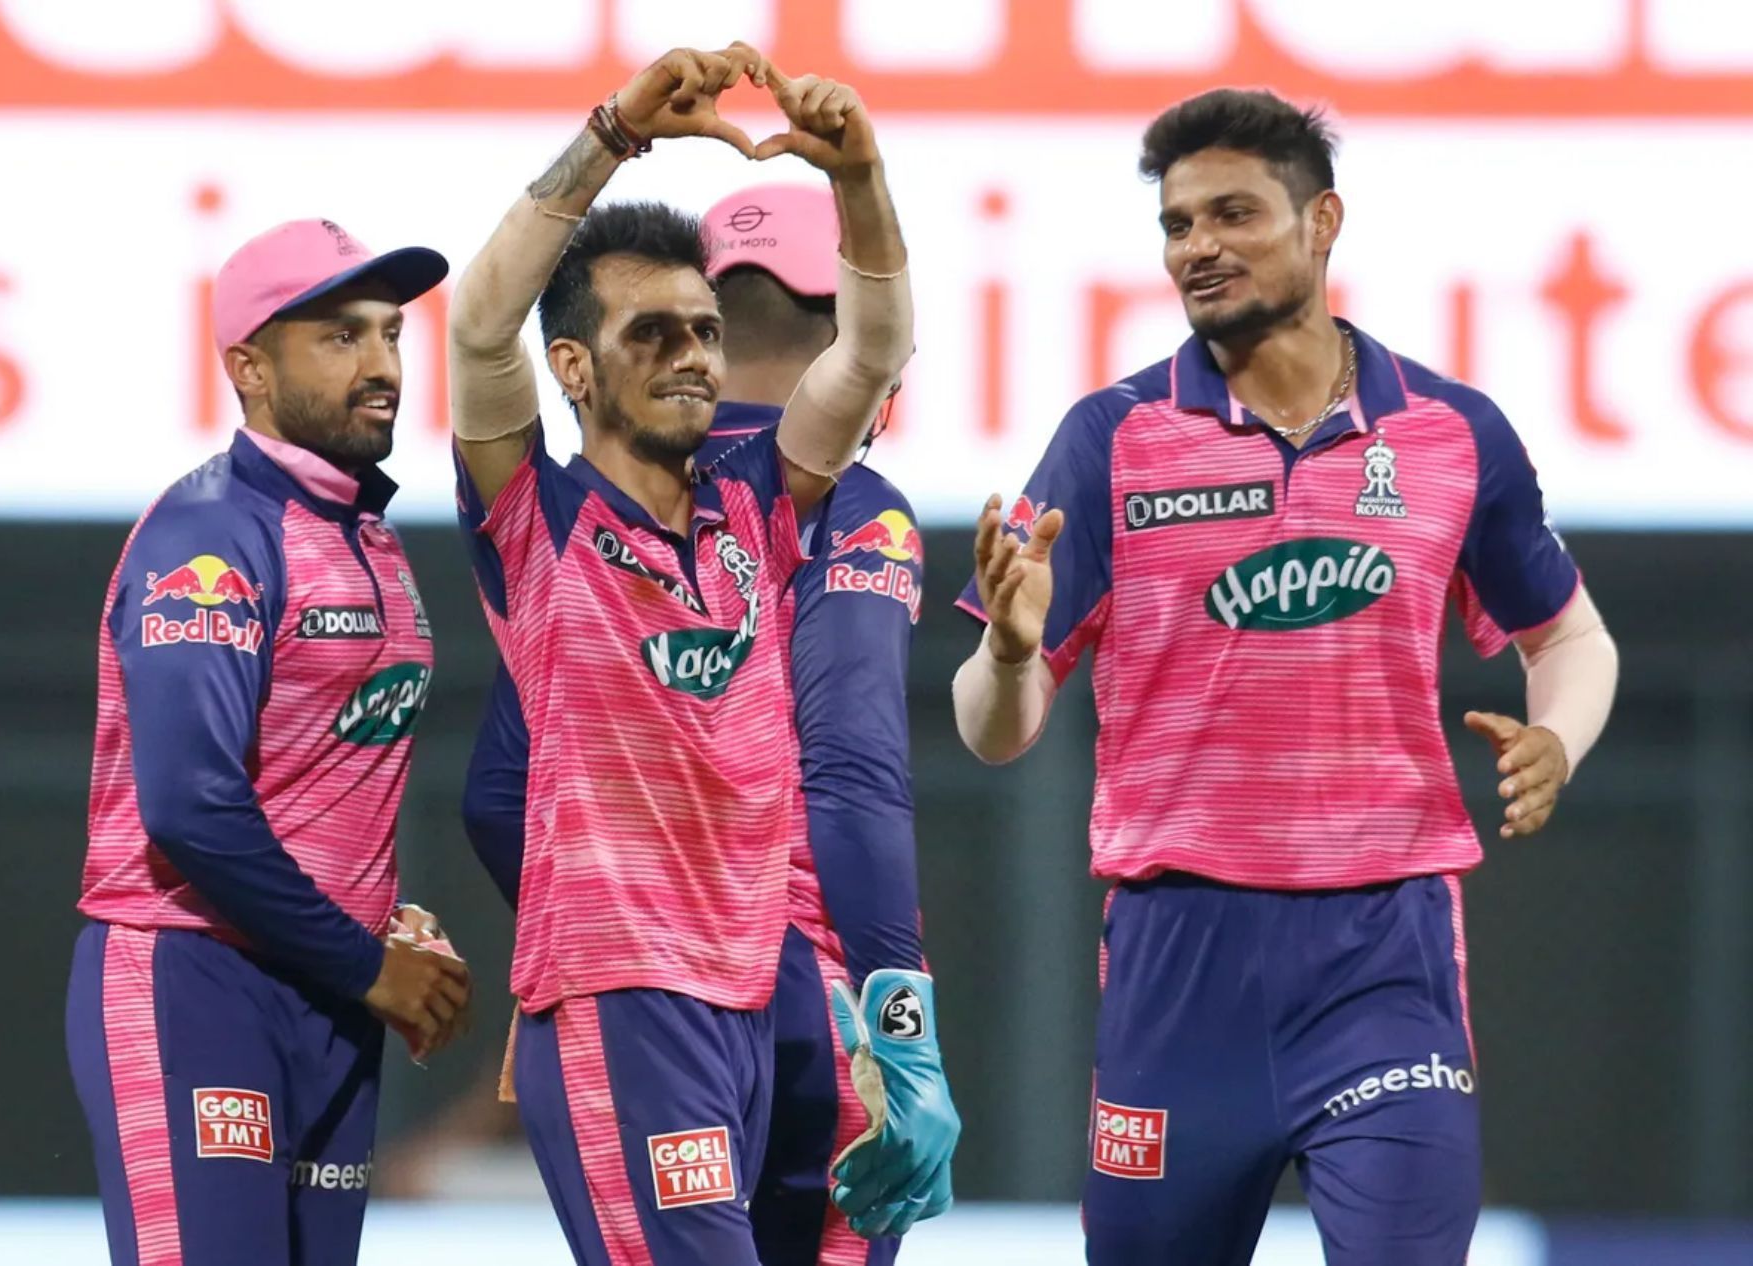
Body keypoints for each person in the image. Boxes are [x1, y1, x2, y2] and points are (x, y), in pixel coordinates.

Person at [953, 89, 1619, 1266]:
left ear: (1322, 222)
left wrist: (1557, 735)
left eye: (1232, 214)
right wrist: (1008, 652)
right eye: (1175, 225)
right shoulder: (1110, 439)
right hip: (1177, 961)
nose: (1197, 246)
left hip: (1385, 953)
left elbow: (1568, 638)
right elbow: (993, 732)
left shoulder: (1451, 433)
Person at [445, 43, 938, 1264]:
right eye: (652, 333)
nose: (691, 358)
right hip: (621, 996)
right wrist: (613, 131)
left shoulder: (757, 510)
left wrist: (862, 176)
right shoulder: (537, 522)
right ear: (573, 367)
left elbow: (870, 354)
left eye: (706, 332)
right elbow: (475, 321)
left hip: (747, 993)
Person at [65, 218, 473, 1266]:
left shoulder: (365, 536)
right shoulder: (208, 537)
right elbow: (190, 806)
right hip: (193, 978)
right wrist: (365, 958)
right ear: (249, 366)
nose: (383, 364)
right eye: (341, 337)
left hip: (324, 994)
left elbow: (313, 784)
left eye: (390, 334)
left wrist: (382, 921)